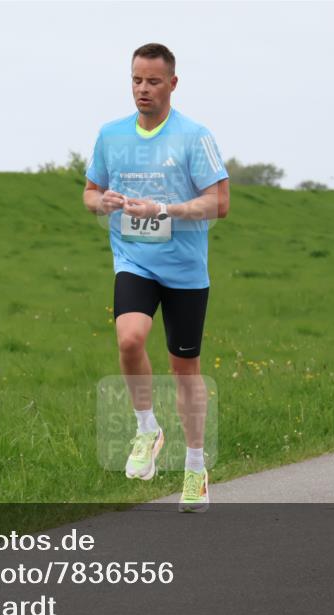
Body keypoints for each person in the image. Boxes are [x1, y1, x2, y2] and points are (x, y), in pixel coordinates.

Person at [83, 43, 230, 512]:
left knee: (184, 371)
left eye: (152, 81)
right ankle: (147, 429)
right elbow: (90, 191)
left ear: (172, 83)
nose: (142, 89)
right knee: (129, 340)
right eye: (136, 80)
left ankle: (194, 466)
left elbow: (220, 202)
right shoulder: (111, 134)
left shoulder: (194, 136)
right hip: (135, 260)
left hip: (185, 270)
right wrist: (100, 202)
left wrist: (165, 209)